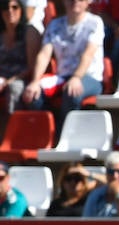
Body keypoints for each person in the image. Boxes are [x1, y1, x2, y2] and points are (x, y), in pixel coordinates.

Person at [20, 0, 102, 130]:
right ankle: (47, 133)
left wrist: (76, 77)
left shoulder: (95, 22)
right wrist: (35, 81)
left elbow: (88, 55)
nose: (75, 2)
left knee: (72, 92)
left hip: (89, 77)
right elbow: (44, 54)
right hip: (62, 76)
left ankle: (64, 136)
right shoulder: (54, 25)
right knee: (33, 94)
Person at [0, 0, 39, 135]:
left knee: (14, 88)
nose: (10, 11)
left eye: (14, 7)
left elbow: (32, 67)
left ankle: (13, 136)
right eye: (5, 7)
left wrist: (8, 81)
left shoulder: (30, 32)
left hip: (22, 77)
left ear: (21, 10)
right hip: (1, 78)